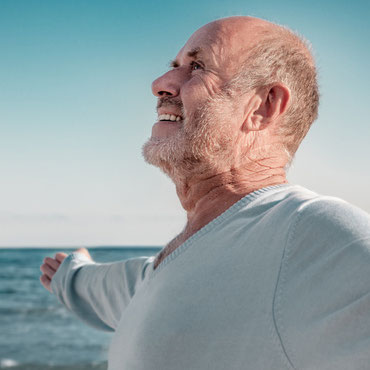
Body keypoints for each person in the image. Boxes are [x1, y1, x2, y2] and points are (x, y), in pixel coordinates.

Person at [40, 16, 370, 370]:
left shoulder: (316, 236)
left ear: (264, 105)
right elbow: (132, 291)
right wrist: (70, 274)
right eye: (174, 66)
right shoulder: (172, 269)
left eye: (197, 66)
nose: (160, 84)